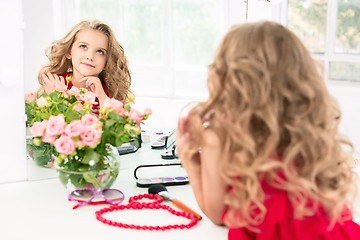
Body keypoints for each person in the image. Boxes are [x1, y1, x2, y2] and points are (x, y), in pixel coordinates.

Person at [176, 21, 360, 239]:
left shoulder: (218, 133)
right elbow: (220, 215)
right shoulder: (306, 133)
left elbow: (218, 215)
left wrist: (191, 161)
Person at [38, 20, 132, 106]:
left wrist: (102, 97)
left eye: (100, 52)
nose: (90, 57)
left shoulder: (110, 92)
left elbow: (114, 123)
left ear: (107, 62)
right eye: (83, 46)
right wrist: (54, 96)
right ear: (69, 51)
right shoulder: (55, 84)